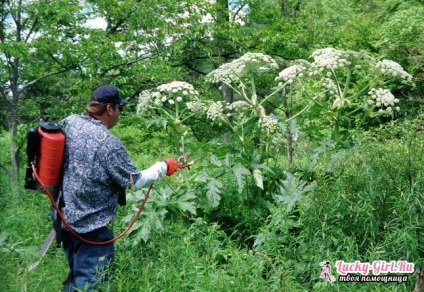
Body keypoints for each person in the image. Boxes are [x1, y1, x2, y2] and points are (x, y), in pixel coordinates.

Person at [54, 85, 181, 291]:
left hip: (63, 216)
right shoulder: (108, 143)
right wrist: (164, 166)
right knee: (92, 284)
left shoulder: (71, 122)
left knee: (77, 275)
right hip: (91, 227)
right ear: (110, 109)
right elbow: (134, 181)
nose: (120, 113)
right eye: (120, 108)